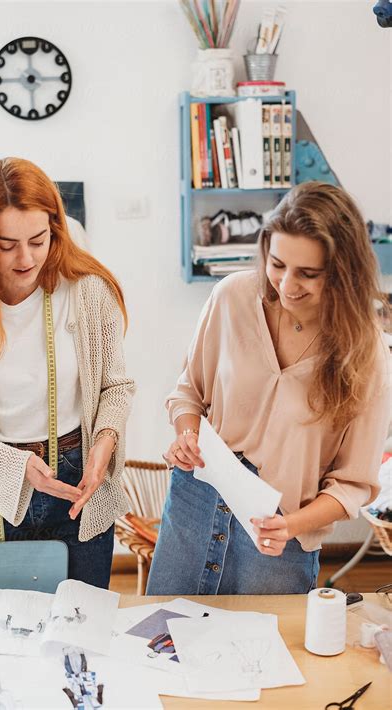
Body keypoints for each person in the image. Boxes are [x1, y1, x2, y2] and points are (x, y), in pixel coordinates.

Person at [147, 182, 391, 596]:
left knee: (263, 656)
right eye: (277, 264)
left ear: (343, 271)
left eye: (308, 273)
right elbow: (188, 391)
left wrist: (289, 527)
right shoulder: (232, 298)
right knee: (159, 642)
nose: (287, 284)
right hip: (196, 500)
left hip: (280, 533)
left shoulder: (365, 354)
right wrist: (187, 435)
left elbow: (353, 484)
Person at [0, 157, 135, 589]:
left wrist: (105, 443)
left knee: (81, 632)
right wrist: (16, 467)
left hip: (79, 483)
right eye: (6, 245)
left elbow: (117, 386)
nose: (25, 258)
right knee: (0, 642)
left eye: (39, 240)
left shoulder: (88, 291)